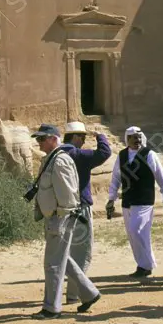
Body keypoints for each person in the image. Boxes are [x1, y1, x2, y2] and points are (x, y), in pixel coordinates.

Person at [29, 123, 101, 319]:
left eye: (42, 139)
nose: (39, 143)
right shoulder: (51, 159)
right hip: (53, 217)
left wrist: (60, 218)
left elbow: (69, 194)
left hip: (59, 219)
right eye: (38, 139)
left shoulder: (60, 161)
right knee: (62, 260)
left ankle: (51, 308)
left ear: (54, 138)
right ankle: (89, 293)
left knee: (52, 264)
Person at [106, 126, 163, 277]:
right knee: (132, 234)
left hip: (144, 200)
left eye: (139, 138)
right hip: (127, 201)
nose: (138, 141)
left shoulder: (149, 154)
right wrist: (111, 198)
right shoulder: (121, 155)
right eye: (134, 138)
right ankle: (142, 265)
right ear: (127, 139)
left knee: (138, 231)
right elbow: (116, 178)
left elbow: (160, 175)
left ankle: (147, 265)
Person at [58, 121, 112, 303]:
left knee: (64, 252)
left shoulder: (57, 154)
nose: (83, 141)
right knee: (81, 253)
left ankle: (59, 292)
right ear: (74, 137)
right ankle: (74, 294)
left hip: (61, 211)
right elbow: (104, 153)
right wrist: (100, 136)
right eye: (82, 137)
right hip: (80, 209)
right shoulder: (77, 155)